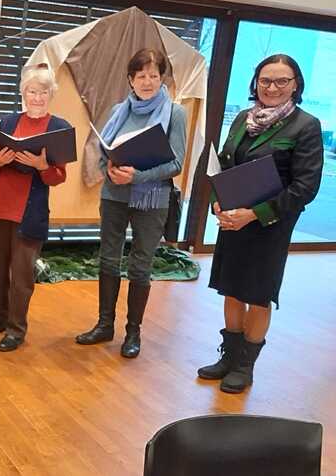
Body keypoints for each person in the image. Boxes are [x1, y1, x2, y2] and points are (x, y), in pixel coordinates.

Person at [199, 54, 323, 393]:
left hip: (270, 224)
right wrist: (218, 203)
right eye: (265, 80)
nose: (272, 87)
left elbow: (305, 187)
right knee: (230, 288)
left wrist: (253, 214)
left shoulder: (306, 125)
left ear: (295, 85)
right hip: (232, 220)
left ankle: (245, 366)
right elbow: (224, 166)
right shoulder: (243, 118)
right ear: (256, 83)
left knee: (257, 293)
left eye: (282, 81)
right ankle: (228, 357)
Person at [75, 48, 187, 358]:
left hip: (152, 198)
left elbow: (176, 163)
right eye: (141, 76)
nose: (147, 82)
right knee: (108, 259)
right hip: (114, 194)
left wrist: (137, 176)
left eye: (154, 75)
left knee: (141, 264)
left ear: (162, 78)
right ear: (130, 79)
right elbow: (103, 151)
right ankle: (104, 325)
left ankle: (133, 332)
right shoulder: (117, 110)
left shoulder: (175, 113)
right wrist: (108, 169)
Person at [0, 65, 70, 352]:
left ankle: (16, 329)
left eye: (43, 92)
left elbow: (58, 177)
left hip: (29, 214)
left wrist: (41, 166)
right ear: (23, 93)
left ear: (51, 94)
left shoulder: (59, 128)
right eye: (32, 91)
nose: (37, 98)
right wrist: (0, 161)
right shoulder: (7, 123)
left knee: (22, 275)